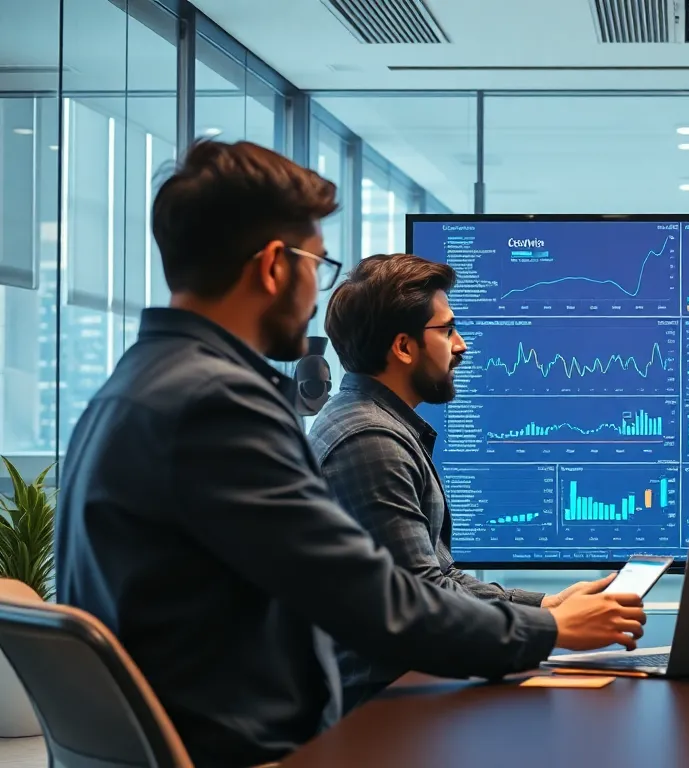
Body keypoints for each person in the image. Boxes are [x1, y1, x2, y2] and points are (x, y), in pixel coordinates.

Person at [54, 140, 646, 767]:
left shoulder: (138, 383)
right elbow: (376, 602)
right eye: (318, 263)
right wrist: (549, 629)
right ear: (275, 266)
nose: (317, 290)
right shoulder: (218, 407)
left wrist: (542, 610)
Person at [309, 252, 620, 710]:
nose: (462, 345)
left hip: (409, 691)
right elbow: (423, 606)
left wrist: (548, 604)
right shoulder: (370, 442)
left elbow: (440, 579)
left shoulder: (377, 425)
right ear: (403, 347)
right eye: (447, 330)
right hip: (385, 711)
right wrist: (555, 629)